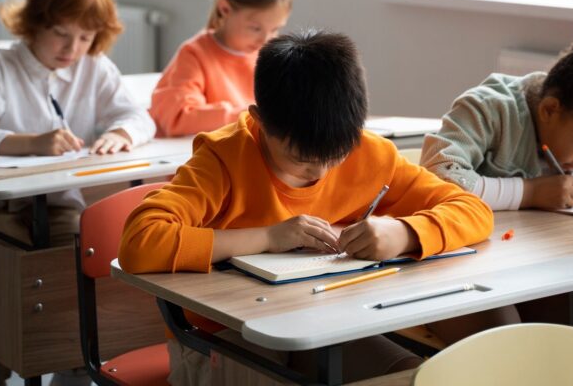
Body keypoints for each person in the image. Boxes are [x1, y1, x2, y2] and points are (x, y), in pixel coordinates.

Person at [121, 30, 494, 385]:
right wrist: (268, 237)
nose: (322, 171)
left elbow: (472, 210)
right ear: (259, 120)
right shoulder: (223, 159)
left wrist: (404, 233)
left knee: (443, 355)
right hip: (220, 338)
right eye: (301, 159)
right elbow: (140, 242)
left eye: (336, 155)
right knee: (396, 373)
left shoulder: (370, 152)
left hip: (329, 315)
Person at [0, 0, 156, 386]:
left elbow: (140, 116)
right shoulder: (1, 67)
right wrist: (29, 143)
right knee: (11, 272)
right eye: (61, 34)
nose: (71, 49)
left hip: (56, 203)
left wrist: (122, 133)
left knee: (70, 264)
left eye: (84, 37)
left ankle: (71, 361)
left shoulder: (92, 68)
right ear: (34, 22)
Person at [421, 12, 573, 329]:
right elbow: (439, 174)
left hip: (545, 268)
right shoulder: (491, 108)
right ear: (550, 109)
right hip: (467, 270)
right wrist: (531, 193)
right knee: (509, 335)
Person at [150, 0, 291, 136]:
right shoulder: (194, 54)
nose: (266, 39)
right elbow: (178, 119)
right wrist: (255, 116)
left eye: (275, 29)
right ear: (225, 8)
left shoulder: (270, 55)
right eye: (255, 28)